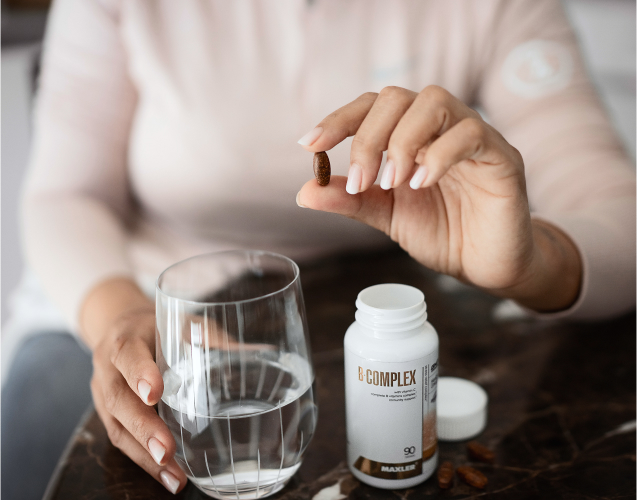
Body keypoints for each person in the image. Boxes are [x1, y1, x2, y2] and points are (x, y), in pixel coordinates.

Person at [3, 0, 634, 497]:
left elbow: (621, 217)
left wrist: (531, 260)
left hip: (378, 293)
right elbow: (66, 195)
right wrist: (117, 314)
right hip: (136, 292)